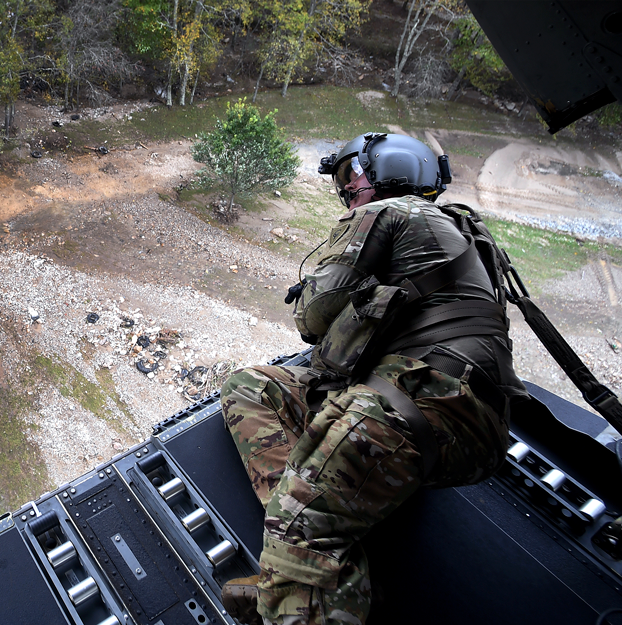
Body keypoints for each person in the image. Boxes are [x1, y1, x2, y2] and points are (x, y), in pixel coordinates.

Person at [219, 132, 529, 625]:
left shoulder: (389, 213)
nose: (344, 191)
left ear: (389, 171)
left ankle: (303, 546)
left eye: (349, 176)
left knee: (303, 523)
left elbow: (312, 319)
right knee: (253, 386)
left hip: (421, 403)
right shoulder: (459, 233)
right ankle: (309, 545)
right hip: (459, 419)